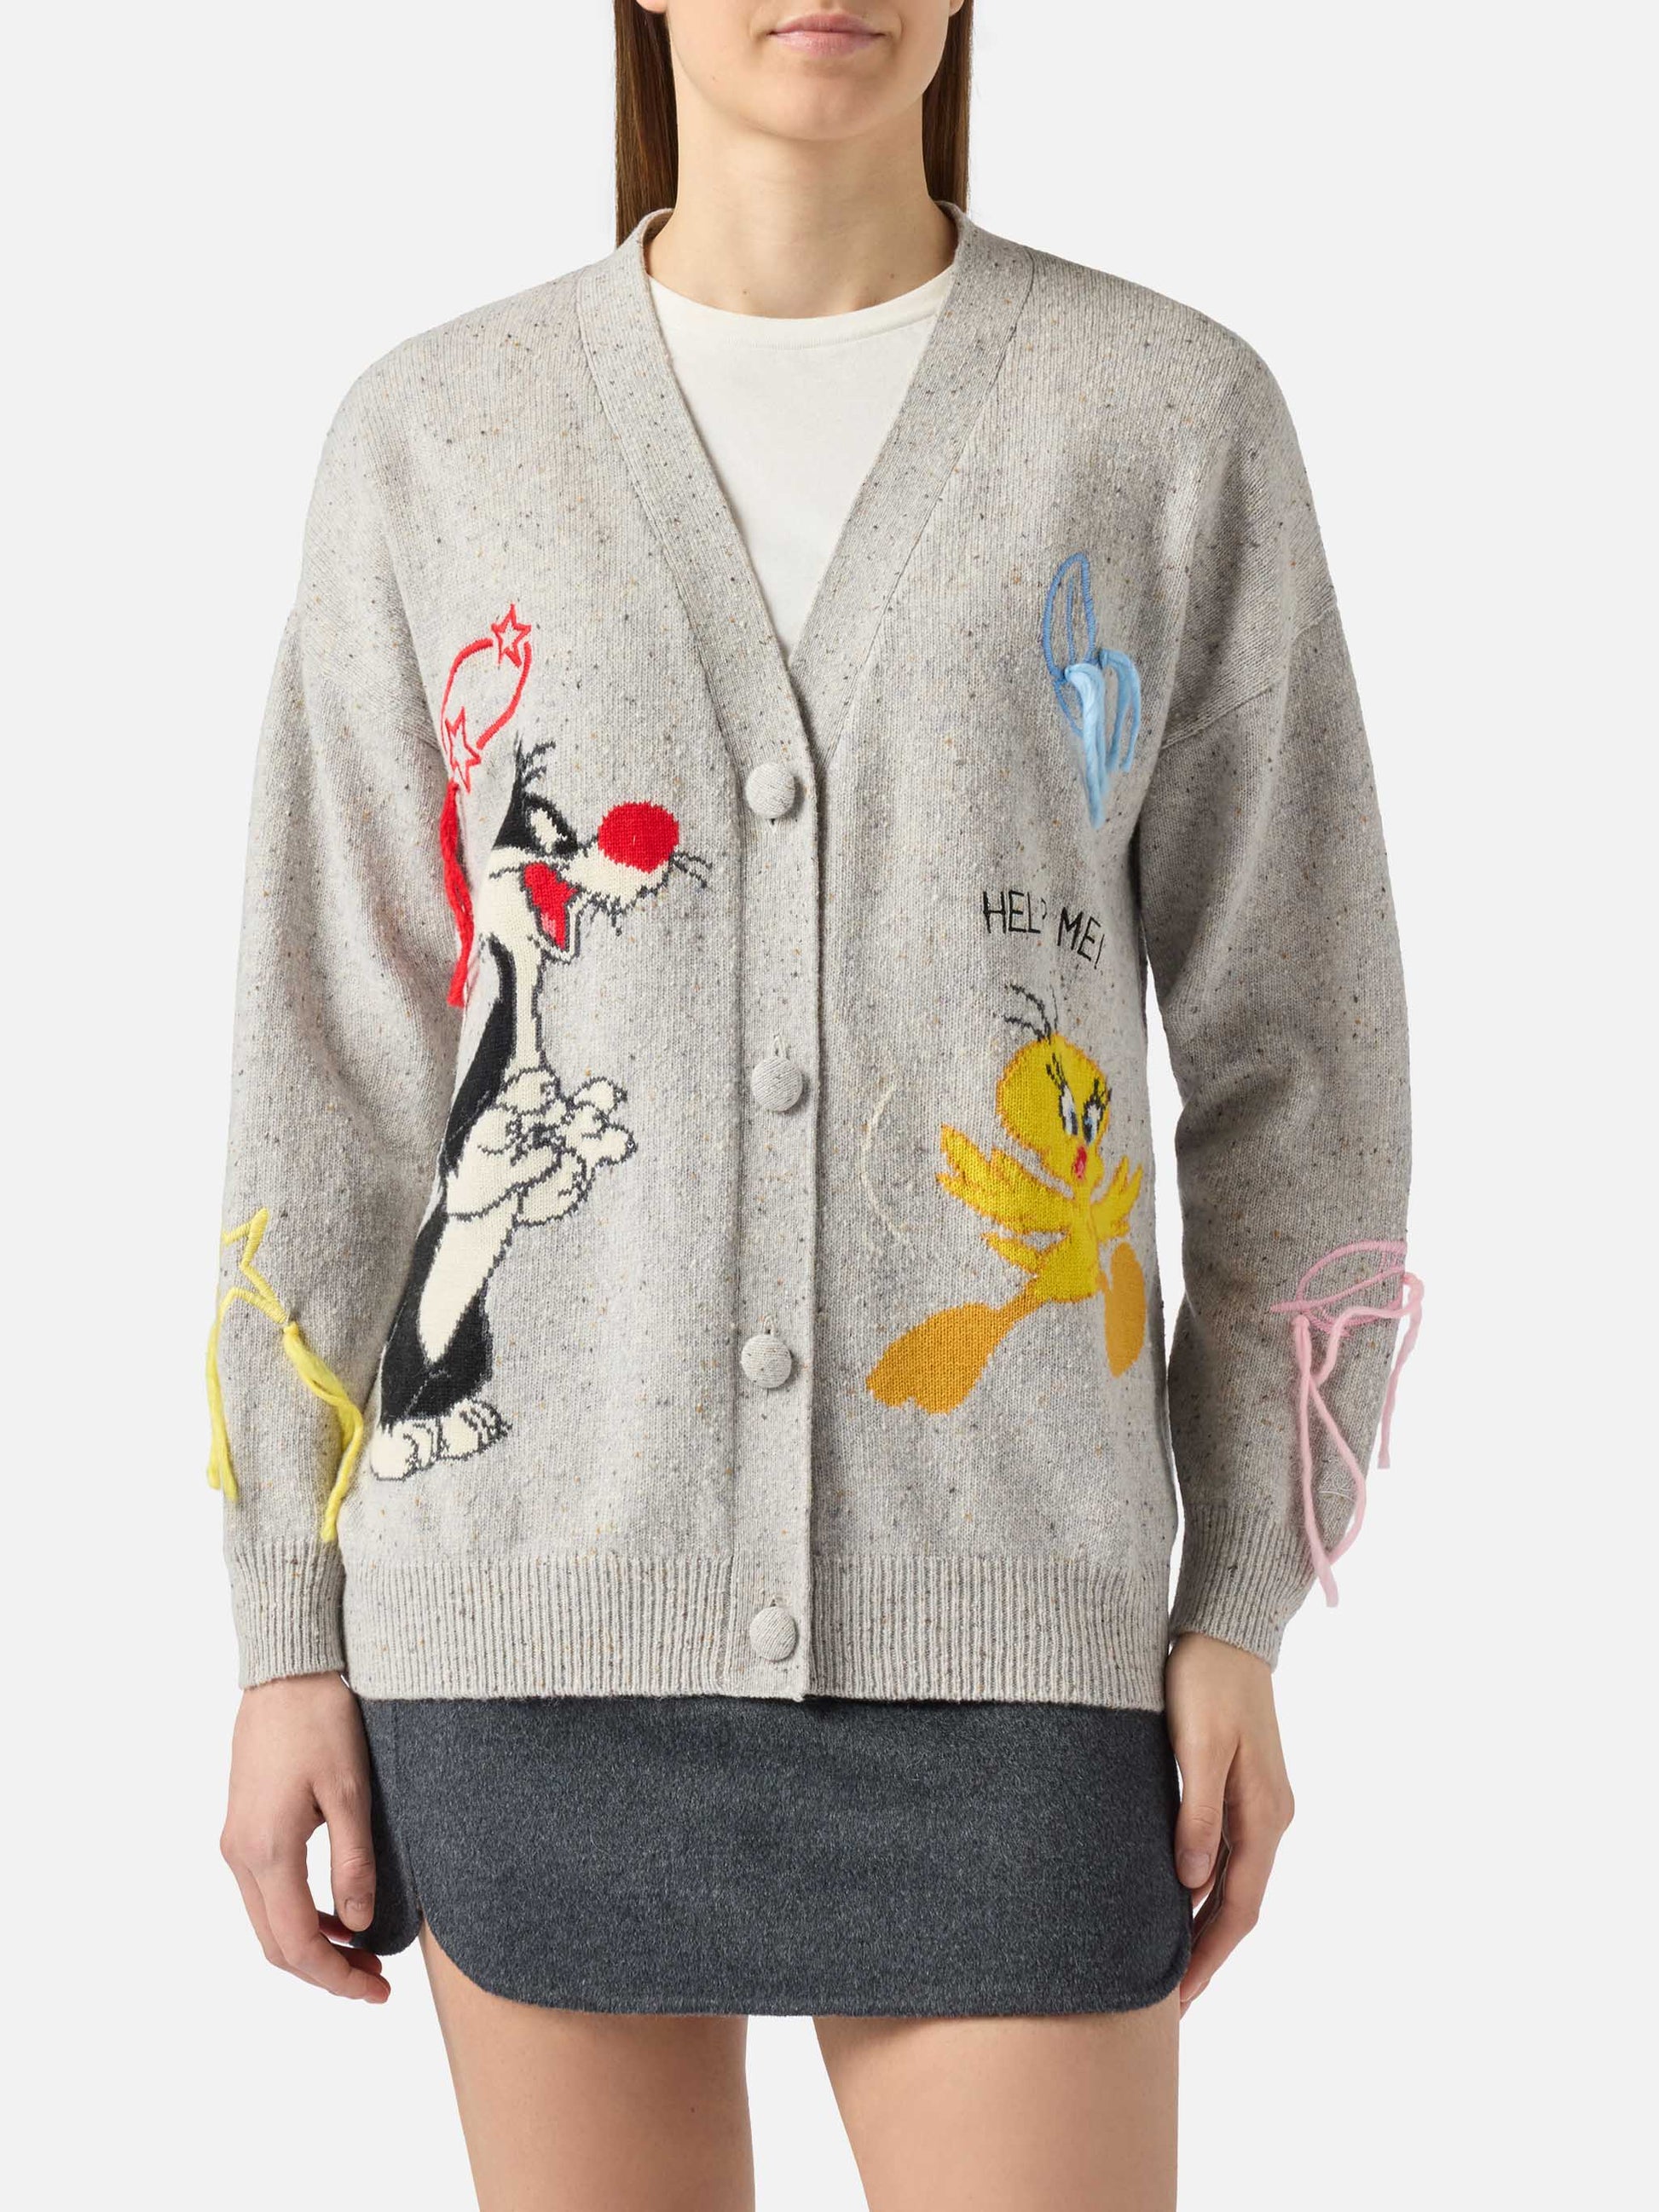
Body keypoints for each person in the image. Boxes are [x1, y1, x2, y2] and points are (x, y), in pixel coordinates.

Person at [210, 3, 1419, 2205]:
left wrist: (1238, 1600)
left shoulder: (1162, 412)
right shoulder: (439, 430)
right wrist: (287, 1628)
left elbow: (1294, 1052)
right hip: (525, 1627)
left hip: (1013, 1626)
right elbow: (338, 1069)